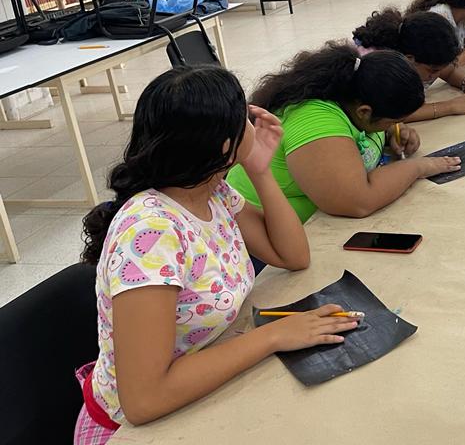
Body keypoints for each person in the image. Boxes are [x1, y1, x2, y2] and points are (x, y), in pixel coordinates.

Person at [74, 66, 359, 444]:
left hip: (202, 383)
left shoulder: (210, 191)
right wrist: (273, 336)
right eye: (244, 116)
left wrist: (259, 170)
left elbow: (292, 255)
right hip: (132, 430)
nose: (253, 121)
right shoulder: (152, 234)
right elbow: (143, 400)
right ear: (225, 145)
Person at [226, 43, 461, 222]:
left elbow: (368, 132)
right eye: (393, 121)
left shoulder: (354, 94)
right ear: (365, 112)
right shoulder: (316, 121)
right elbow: (358, 202)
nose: (395, 125)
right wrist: (419, 167)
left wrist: (394, 132)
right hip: (258, 239)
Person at [352, 8, 465, 119]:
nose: (436, 75)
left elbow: (448, 71)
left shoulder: (414, 48)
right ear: (409, 59)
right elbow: (391, 114)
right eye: (433, 71)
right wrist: (450, 106)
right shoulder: (382, 68)